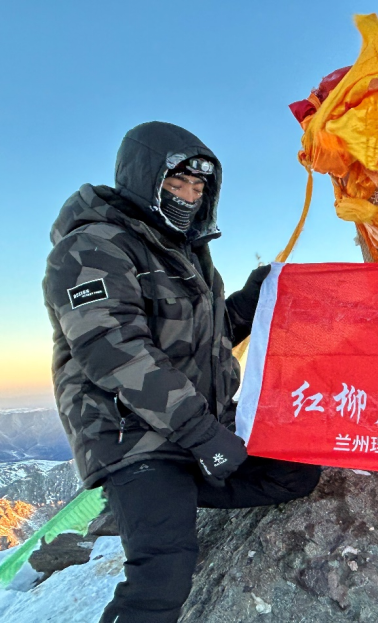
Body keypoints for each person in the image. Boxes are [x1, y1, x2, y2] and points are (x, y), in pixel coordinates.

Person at [43, 121, 321, 623]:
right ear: (144, 177)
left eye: (198, 187)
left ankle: (168, 500)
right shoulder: (92, 248)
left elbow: (206, 337)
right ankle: (156, 501)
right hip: (133, 436)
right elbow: (117, 352)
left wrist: (249, 301)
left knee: (293, 472)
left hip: (194, 428)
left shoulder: (185, 255)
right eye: (176, 183)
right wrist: (204, 437)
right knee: (164, 571)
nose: (188, 195)